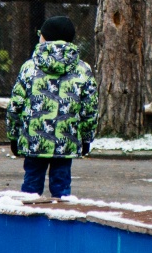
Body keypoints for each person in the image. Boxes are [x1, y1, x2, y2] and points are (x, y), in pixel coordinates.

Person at [5, 15, 98, 199]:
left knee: (31, 185)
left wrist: (13, 135)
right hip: (66, 141)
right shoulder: (83, 69)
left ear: (45, 38)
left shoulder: (29, 67)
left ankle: (28, 225)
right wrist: (86, 138)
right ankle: (61, 224)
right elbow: (90, 109)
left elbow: (15, 105)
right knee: (62, 188)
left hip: (34, 140)